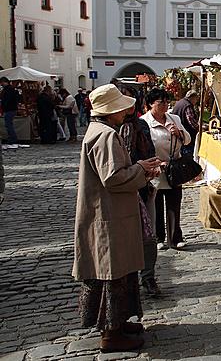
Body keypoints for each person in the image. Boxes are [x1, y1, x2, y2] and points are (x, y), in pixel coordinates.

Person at [72, 84, 162, 352]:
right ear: (111, 111)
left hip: (111, 213)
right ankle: (111, 333)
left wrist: (140, 170)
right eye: (121, 107)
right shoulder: (105, 136)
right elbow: (113, 177)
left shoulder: (101, 132)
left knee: (119, 272)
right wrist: (141, 169)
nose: (126, 111)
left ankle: (119, 323)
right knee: (112, 274)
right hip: (108, 216)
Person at [120, 87, 161, 297]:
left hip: (143, 187)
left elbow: (150, 151)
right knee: (127, 239)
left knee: (148, 238)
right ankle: (128, 281)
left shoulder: (140, 124)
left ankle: (148, 278)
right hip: (125, 192)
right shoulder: (113, 130)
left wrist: (153, 168)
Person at [143, 88, 191, 250]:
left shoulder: (174, 118)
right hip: (155, 168)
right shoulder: (145, 122)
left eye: (166, 101)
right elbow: (144, 147)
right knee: (156, 204)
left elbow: (187, 140)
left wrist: (178, 133)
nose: (165, 105)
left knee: (174, 202)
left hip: (174, 167)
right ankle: (158, 237)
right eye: (160, 102)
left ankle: (175, 237)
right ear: (150, 104)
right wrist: (155, 163)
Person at [171, 90, 199, 157]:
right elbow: (191, 120)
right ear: (193, 98)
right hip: (186, 132)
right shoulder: (187, 105)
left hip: (179, 131)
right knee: (187, 153)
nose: (196, 101)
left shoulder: (180, 102)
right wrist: (199, 128)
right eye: (196, 99)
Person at [0, 77, 19, 148]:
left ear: (4, 82)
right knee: (9, 124)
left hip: (9, 109)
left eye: (1, 83)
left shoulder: (8, 89)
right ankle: (12, 138)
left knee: (8, 125)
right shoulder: (10, 89)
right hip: (10, 109)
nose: (1, 84)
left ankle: (13, 139)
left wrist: (3, 104)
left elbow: (7, 100)